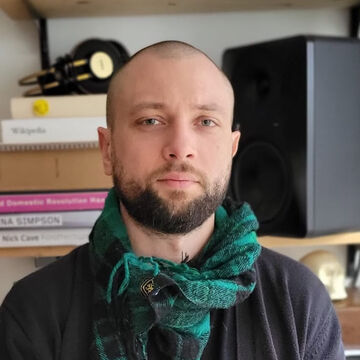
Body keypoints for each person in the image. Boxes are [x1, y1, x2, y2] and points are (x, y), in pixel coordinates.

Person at [0, 41, 345, 360]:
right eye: (150, 120)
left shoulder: (300, 303)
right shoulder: (34, 311)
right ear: (108, 149)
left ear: (231, 149)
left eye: (206, 121)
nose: (181, 146)